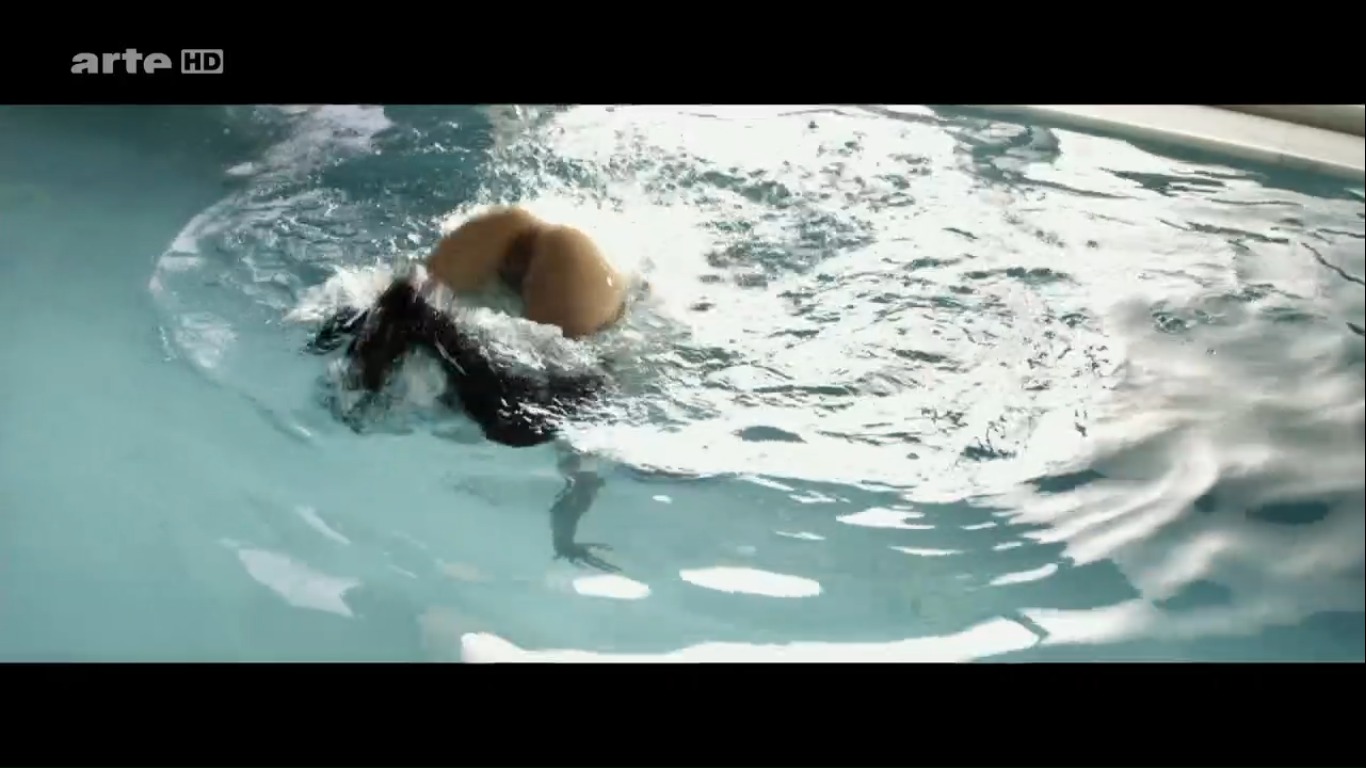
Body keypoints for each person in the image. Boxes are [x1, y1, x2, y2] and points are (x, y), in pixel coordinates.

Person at [306, 206, 631, 571]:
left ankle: (389, 322)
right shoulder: (599, 292)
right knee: (526, 421)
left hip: (501, 230)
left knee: (536, 411)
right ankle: (425, 324)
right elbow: (583, 447)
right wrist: (568, 523)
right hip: (570, 268)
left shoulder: (564, 256)